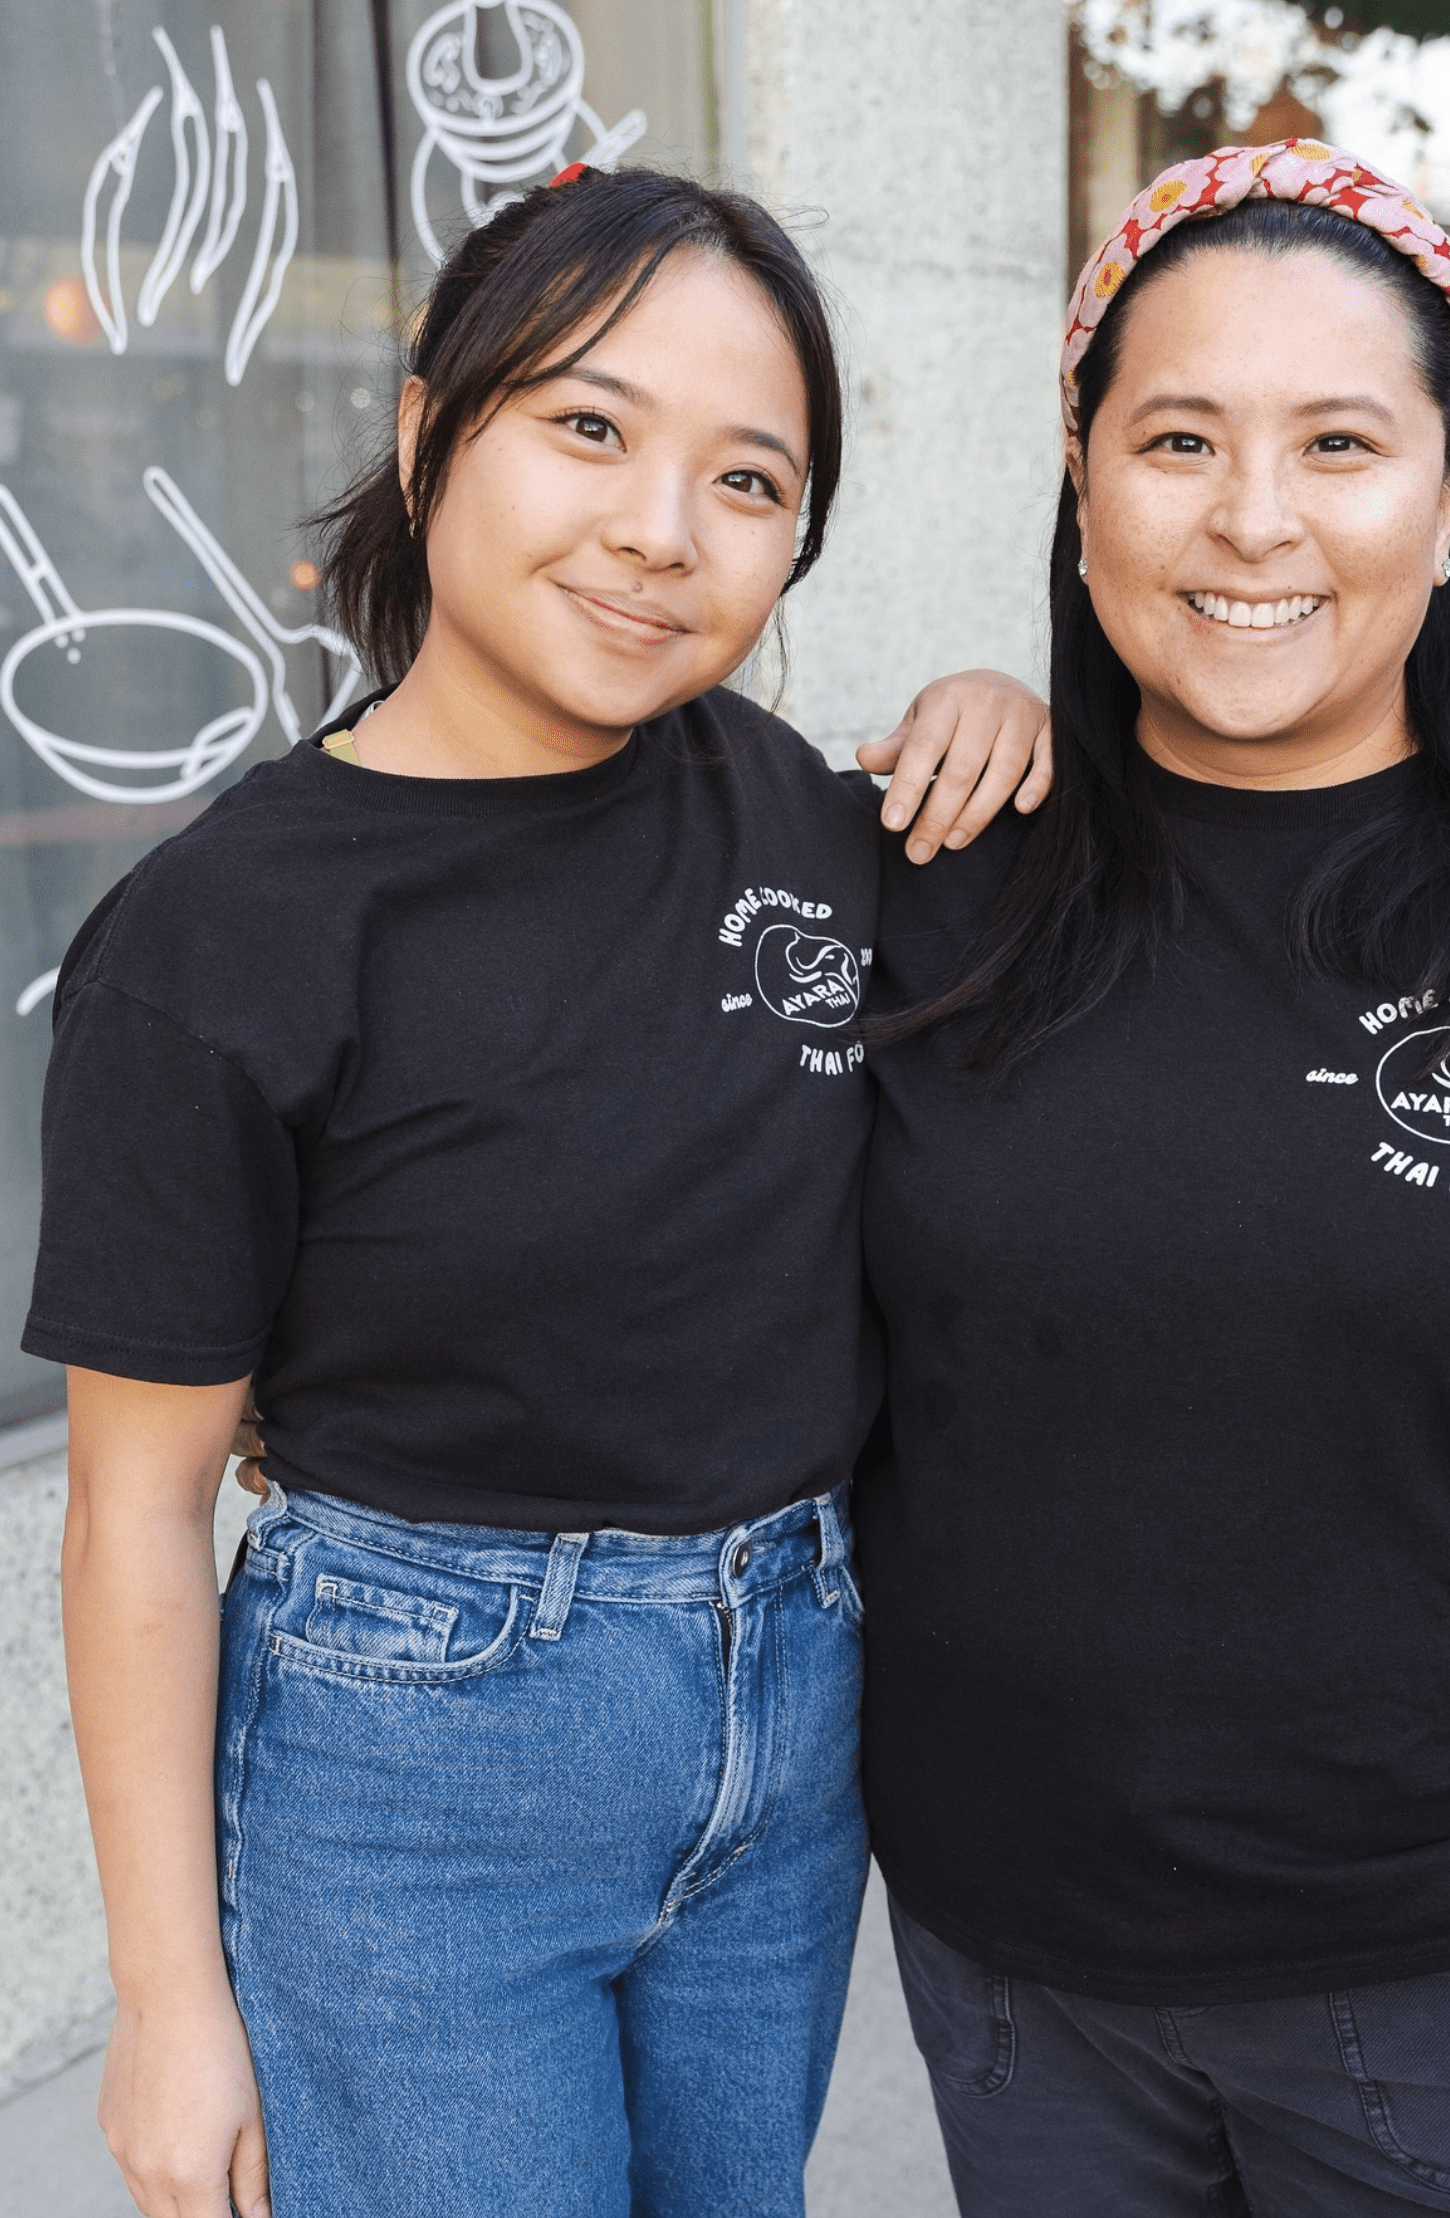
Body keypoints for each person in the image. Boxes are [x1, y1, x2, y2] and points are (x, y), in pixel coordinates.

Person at [29, 165, 1051, 2218]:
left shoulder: (816, 818)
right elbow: (137, 1504)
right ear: (429, 438)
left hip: (796, 1697)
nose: (661, 531)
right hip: (419, 1751)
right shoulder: (221, 936)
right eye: (587, 426)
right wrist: (165, 1993)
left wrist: (1012, 716)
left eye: (750, 480)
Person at [857, 140, 1450, 2216]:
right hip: (1017, 1976)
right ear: (1082, 470)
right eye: (1178, 436)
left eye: (1342, 441)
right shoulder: (933, 873)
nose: (1254, 517)